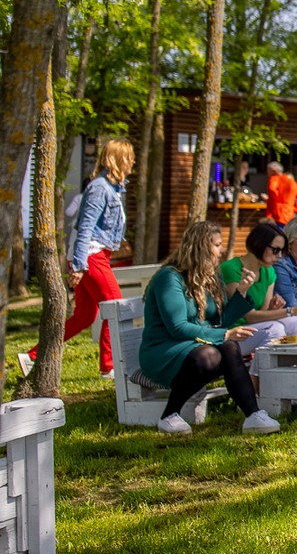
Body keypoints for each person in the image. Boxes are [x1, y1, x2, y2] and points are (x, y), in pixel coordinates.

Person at [139, 221, 280, 435]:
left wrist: (242, 291)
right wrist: (225, 333)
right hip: (164, 350)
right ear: (200, 247)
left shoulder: (209, 278)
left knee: (228, 347)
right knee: (211, 354)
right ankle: (169, 415)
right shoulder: (169, 278)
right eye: (217, 245)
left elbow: (219, 321)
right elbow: (177, 328)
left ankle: (253, 415)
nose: (221, 250)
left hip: (194, 345)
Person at [19, 137, 133, 380]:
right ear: (118, 160)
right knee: (115, 306)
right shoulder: (99, 188)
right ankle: (108, 367)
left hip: (93, 255)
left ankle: (32, 356)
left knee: (84, 316)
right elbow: (85, 227)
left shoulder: (113, 189)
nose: (132, 162)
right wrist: (80, 265)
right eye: (129, 158)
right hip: (90, 255)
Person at [219, 220, 297, 355]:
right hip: (233, 332)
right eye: (275, 250)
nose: (279, 256)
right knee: (275, 329)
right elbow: (249, 316)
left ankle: (288, 365)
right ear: (259, 245)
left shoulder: (268, 271)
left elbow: (262, 312)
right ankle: (260, 368)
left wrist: (272, 309)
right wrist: (291, 311)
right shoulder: (231, 269)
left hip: (253, 328)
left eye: (282, 251)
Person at [265, 160, 297, 227]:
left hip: (276, 214)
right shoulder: (291, 182)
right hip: (289, 214)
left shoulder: (274, 178)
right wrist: (295, 208)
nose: (267, 173)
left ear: (273, 171)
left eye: (268, 170)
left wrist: (275, 202)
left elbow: (272, 189)